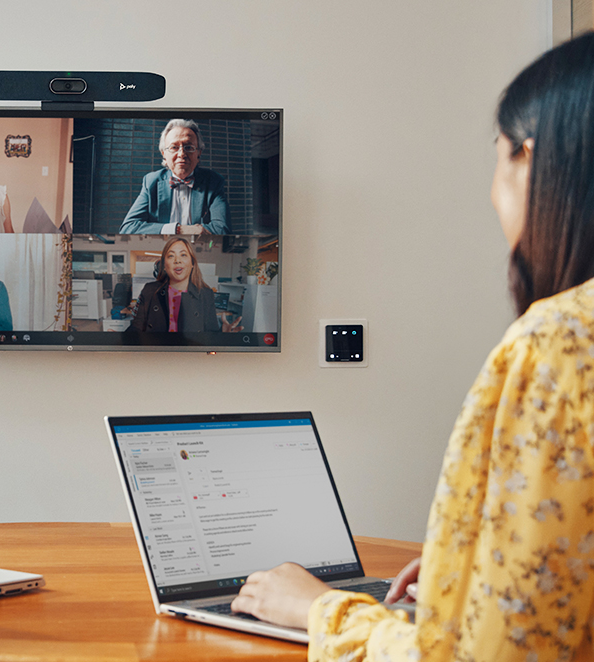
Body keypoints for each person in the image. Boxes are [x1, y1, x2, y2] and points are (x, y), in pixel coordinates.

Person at [230, 33, 594, 661]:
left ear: (533, 162)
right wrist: (482, 570)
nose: (490, 192)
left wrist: (321, 610)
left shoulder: (559, 344)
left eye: (499, 157)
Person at [118, 119, 230, 236]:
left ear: (199, 153)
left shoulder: (214, 181)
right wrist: (178, 230)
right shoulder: (151, 182)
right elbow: (128, 228)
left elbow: (222, 229)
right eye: (174, 147)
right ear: (164, 154)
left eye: (189, 147)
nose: (181, 154)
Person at [130, 237, 240, 333]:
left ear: (192, 263)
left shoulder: (206, 294)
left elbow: (210, 336)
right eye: (171, 256)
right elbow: (135, 330)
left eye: (183, 255)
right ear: (164, 265)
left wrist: (222, 334)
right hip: (158, 354)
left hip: (190, 356)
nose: (177, 260)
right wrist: (118, 337)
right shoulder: (149, 290)